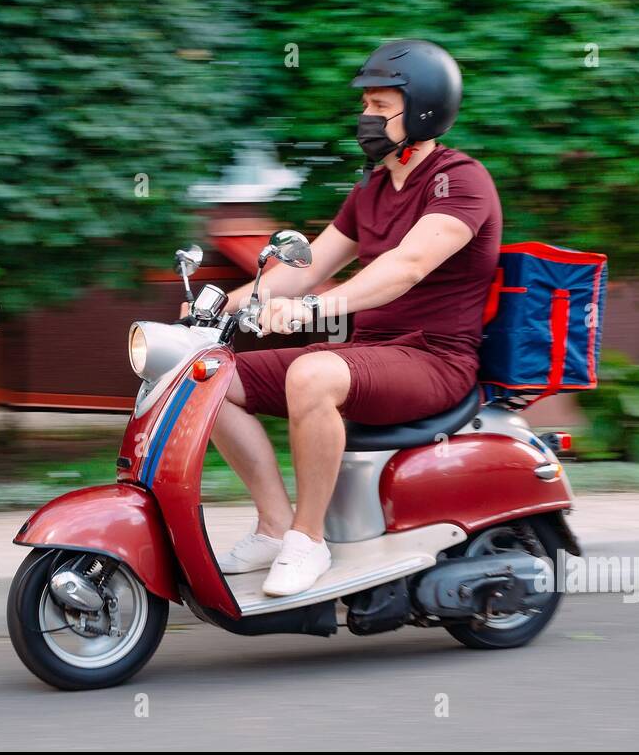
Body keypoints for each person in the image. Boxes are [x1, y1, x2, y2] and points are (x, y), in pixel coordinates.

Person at [201, 40, 502, 597]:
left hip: (435, 359)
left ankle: (308, 539)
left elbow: (406, 268)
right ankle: (273, 525)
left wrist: (315, 308)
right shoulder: (370, 186)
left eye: (379, 105)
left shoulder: (459, 181)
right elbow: (307, 265)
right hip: (373, 352)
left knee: (311, 376)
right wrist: (221, 305)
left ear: (422, 111)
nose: (365, 117)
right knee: (206, 375)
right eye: (364, 104)